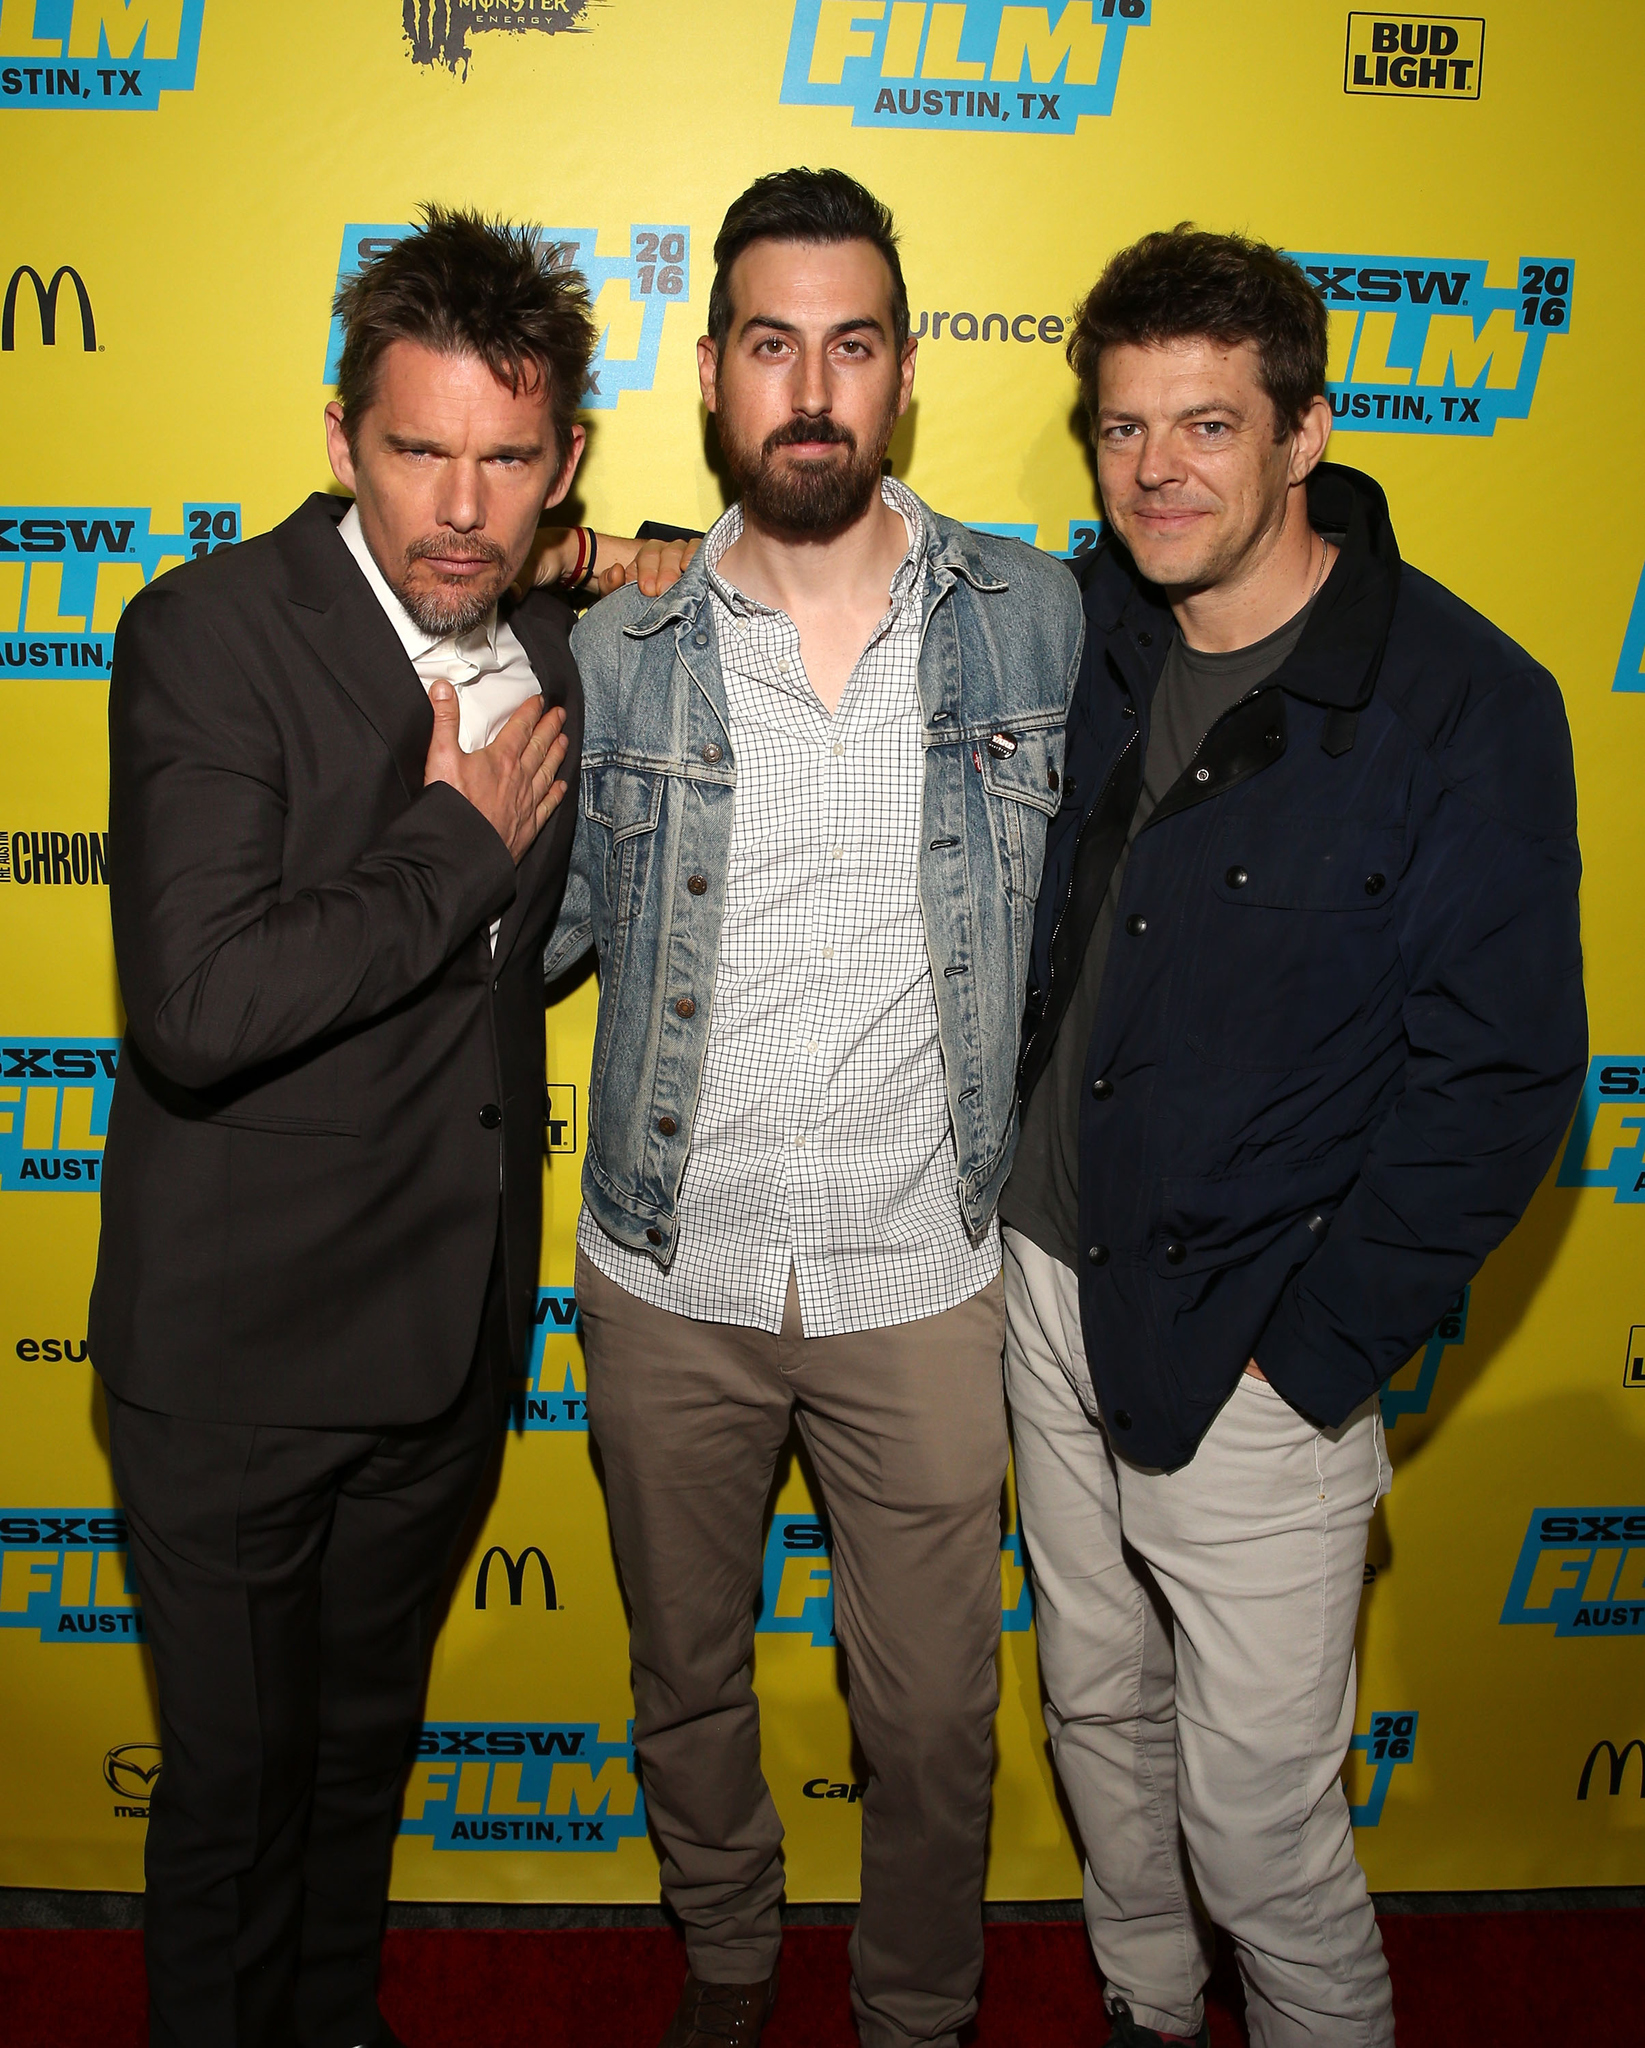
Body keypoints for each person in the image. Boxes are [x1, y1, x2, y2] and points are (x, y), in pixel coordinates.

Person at [997, 226, 1587, 2047]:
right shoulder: (1092, 620)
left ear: (1304, 432)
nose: (1156, 470)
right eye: (1120, 430)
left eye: (1204, 427)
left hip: (1252, 1344)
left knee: (1260, 1826)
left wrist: (1304, 1357)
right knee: (1096, 1705)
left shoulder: (1461, 706)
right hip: (1041, 1281)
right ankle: (1148, 2007)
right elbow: (872, 565)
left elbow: (1498, 1080)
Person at [544, 168, 1083, 2048]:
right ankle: (725, 1961)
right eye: (772, 344)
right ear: (711, 375)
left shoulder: (1036, 623)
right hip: (665, 1265)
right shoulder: (620, 646)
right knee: (684, 1676)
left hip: (919, 1280)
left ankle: (919, 2008)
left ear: (905, 372)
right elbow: (526, 935)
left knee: (934, 1713)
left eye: (851, 345)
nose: (812, 387)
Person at [90, 205, 609, 2048]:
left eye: (505, 457)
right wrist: (455, 839)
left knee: (358, 1765)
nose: (456, 505)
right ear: (338, 439)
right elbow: (205, 1006)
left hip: (440, 1344)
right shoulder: (209, 634)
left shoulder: (556, 639)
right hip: (235, 1364)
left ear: (562, 465)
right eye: (414, 450)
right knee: (232, 1805)